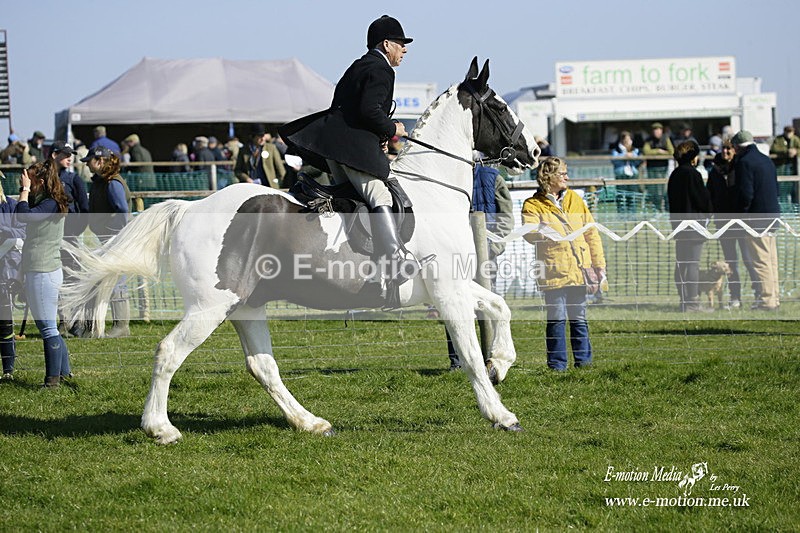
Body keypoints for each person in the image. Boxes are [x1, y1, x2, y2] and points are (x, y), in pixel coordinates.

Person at [280, 15, 423, 299]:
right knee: (380, 197)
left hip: (334, 147)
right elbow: (370, 112)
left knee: (353, 199)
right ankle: (394, 259)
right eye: (400, 44)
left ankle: (359, 264)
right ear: (386, 44)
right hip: (351, 150)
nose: (404, 50)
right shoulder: (382, 70)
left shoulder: (358, 66)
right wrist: (391, 129)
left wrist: (377, 140)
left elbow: (346, 109)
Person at [521, 157, 606, 371]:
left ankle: (584, 363)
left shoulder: (576, 200)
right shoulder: (533, 204)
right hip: (553, 270)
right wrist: (544, 233)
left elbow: (591, 233)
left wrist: (598, 265)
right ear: (548, 177)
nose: (567, 177)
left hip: (579, 269)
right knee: (556, 319)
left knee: (579, 318)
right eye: (562, 174)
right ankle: (557, 365)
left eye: (566, 173)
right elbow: (528, 232)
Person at [445, 162, 514, 371]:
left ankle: (491, 358)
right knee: (454, 306)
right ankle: (458, 361)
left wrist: (494, 248)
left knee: (489, 306)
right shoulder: (447, 175)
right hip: (455, 256)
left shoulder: (493, 178)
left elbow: (506, 217)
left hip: (486, 256)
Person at [13, 159, 72, 387]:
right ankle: (64, 373)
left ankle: (52, 381)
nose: (24, 183)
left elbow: (22, 215)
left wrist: (25, 190)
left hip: (43, 270)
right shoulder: (48, 201)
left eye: (28, 179)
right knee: (49, 327)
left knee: (47, 328)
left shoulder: (49, 203)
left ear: (39, 181)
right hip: (41, 269)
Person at [82, 146, 133, 336]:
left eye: (90, 161)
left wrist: (116, 236)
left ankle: (122, 327)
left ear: (101, 161)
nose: (87, 164)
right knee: (110, 280)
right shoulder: (103, 182)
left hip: (114, 239)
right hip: (107, 238)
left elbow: (121, 210)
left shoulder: (112, 183)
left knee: (117, 280)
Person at [732, 130, 781, 310]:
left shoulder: (744, 163)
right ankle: (775, 297)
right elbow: (776, 188)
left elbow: (746, 193)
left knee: (760, 261)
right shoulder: (766, 160)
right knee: (771, 260)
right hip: (773, 214)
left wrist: (743, 214)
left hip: (756, 218)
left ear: (737, 147)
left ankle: (767, 301)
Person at [706, 142, 757, 309]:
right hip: (723, 223)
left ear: (735, 150)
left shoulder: (740, 168)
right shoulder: (715, 172)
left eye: (729, 149)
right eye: (724, 149)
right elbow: (710, 196)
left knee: (749, 260)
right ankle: (735, 297)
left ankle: (759, 294)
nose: (726, 151)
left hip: (741, 222)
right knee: (731, 262)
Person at [667, 140, 713, 312]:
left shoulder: (674, 174)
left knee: (681, 263)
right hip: (694, 225)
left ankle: (683, 300)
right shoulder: (693, 174)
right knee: (693, 264)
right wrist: (709, 210)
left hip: (678, 225)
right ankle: (693, 302)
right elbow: (702, 199)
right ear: (694, 157)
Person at [51, 141, 90, 336]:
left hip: (70, 237)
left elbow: (85, 210)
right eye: (65, 154)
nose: (69, 158)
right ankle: (62, 321)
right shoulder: (45, 179)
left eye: (70, 154)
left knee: (73, 278)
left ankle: (77, 322)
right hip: (50, 238)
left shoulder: (75, 180)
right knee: (55, 279)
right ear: (54, 155)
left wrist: (75, 232)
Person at [0, 182, 24, 381]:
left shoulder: (11, 205)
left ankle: (8, 370)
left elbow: (22, 231)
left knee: (5, 323)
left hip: (6, 272)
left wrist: (5, 232)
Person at [642, 122, 674, 210]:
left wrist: (663, 153)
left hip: (663, 168)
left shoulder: (666, 139)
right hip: (652, 168)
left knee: (664, 189)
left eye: (659, 130)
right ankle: (656, 208)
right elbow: (646, 152)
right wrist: (658, 151)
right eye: (655, 130)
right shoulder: (648, 140)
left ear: (661, 131)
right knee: (654, 190)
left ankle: (666, 208)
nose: (657, 132)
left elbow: (671, 152)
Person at [610, 131, 643, 213]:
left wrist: (632, 157)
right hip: (621, 175)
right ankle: (621, 214)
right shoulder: (616, 150)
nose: (627, 142)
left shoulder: (636, 150)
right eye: (626, 140)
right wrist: (624, 156)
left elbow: (639, 161)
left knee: (632, 196)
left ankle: (632, 214)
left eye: (629, 140)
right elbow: (614, 161)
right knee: (620, 195)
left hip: (633, 175)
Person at [769, 125, 800, 203]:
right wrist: (787, 151)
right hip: (781, 166)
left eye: (790, 132)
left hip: (792, 167)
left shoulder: (796, 139)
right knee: (782, 187)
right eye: (787, 132)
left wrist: (795, 151)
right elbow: (774, 149)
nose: (789, 134)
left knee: (794, 188)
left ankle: (795, 205)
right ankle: (783, 205)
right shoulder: (778, 139)